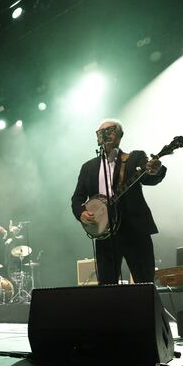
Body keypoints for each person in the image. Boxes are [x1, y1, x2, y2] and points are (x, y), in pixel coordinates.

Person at [71, 118, 166, 284]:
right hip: (105, 235)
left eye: (111, 130)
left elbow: (149, 178)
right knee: (107, 288)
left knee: (144, 283)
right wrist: (81, 213)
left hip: (134, 230)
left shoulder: (134, 157)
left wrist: (155, 170)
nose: (106, 134)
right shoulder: (88, 167)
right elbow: (77, 198)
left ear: (120, 135)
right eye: (102, 131)